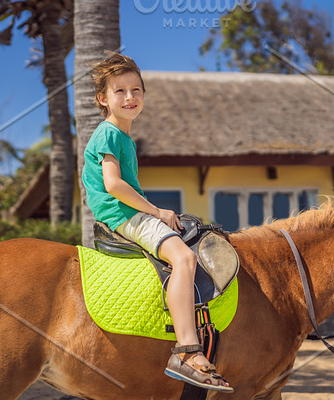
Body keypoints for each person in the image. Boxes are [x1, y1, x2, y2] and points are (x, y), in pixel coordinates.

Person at [82, 52, 232, 393]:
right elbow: (113, 184)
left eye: (136, 90)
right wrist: (156, 211)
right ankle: (188, 351)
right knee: (185, 258)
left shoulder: (123, 137)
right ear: (103, 99)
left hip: (125, 212)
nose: (130, 97)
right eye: (119, 91)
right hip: (122, 214)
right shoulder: (108, 133)